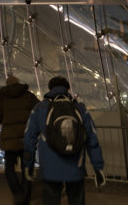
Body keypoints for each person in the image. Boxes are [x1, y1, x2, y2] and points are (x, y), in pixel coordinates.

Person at [23, 76, 106, 205]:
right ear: (68, 89)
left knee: (50, 200)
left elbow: (29, 137)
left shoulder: (39, 109)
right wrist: (98, 168)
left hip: (50, 167)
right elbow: (92, 139)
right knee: (76, 200)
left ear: (49, 89)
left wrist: (28, 164)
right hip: (75, 166)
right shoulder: (79, 108)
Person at [0, 74, 39, 205]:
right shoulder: (28, 95)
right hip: (26, 138)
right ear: (18, 83)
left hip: (10, 139)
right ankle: (25, 199)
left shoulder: (3, 96)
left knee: (9, 169)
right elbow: (39, 110)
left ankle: (17, 192)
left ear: (7, 85)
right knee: (26, 169)